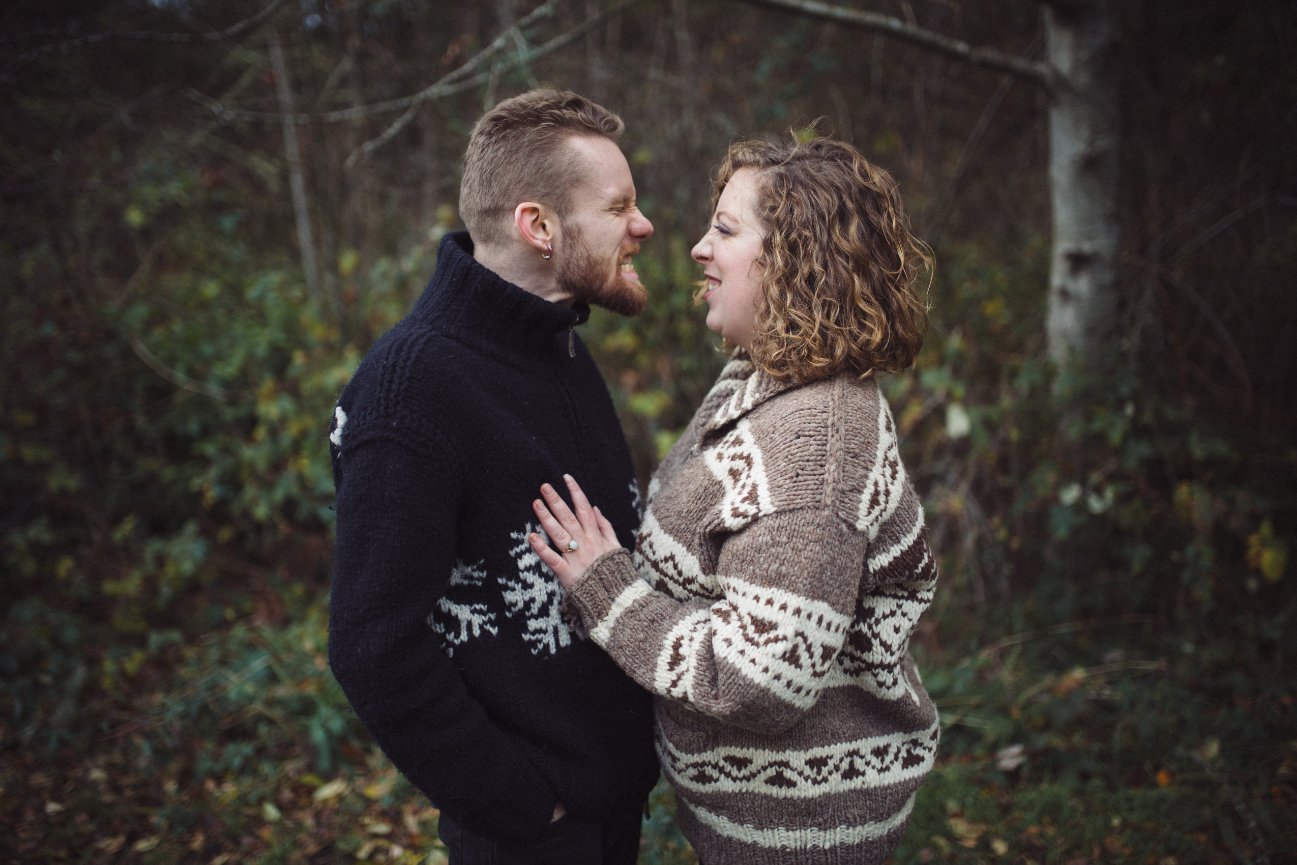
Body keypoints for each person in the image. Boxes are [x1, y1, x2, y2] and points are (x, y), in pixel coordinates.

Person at [527, 135, 940, 864]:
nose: (695, 249)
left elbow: (761, 681)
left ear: (795, 256)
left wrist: (606, 589)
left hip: (801, 835)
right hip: (751, 823)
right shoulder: (764, 383)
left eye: (723, 228)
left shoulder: (816, 443)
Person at [326, 89, 658, 865]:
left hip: (612, 806)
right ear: (538, 226)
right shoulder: (410, 391)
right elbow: (372, 646)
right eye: (619, 207)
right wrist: (523, 805)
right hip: (532, 834)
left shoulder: (561, 346)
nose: (642, 226)